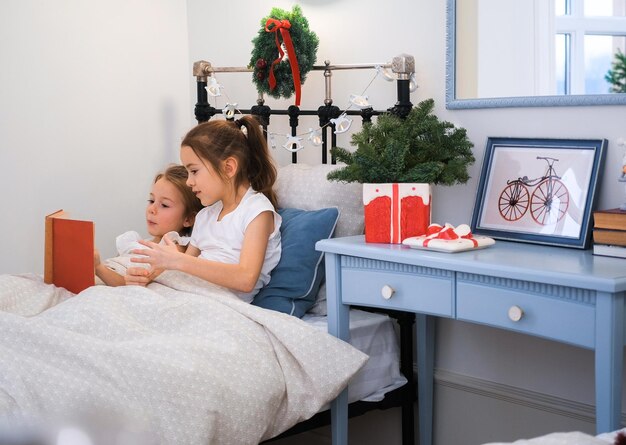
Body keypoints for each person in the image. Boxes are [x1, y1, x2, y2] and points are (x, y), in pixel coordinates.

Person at [127, 116, 282, 304]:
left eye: (194, 171)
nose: (188, 181)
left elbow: (246, 279)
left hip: (219, 305)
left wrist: (177, 260)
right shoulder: (205, 215)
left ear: (228, 168)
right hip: (188, 294)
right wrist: (150, 274)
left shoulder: (257, 211)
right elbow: (185, 269)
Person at [95, 164, 203, 286]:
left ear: (188, 219)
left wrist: (98, 267)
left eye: (165, 205)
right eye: (151, 201)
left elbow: (127, 284)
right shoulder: (135, 242)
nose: (152, 209)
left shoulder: (173, 251)